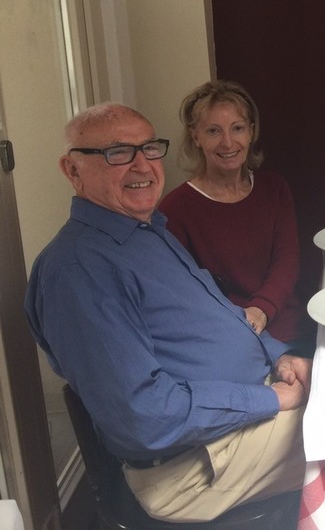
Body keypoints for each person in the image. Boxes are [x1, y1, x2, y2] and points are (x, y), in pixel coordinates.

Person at [25, 103, 309, 522]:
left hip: (237, 419)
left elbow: (223, 317)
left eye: (149, 148)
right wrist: (269, 398)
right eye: (117, 152)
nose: (142, 165)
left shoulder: (147, 230)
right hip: (191, 468)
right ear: (72, 170)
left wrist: (279, 356)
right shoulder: (79, 271)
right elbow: (145, 416)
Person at [158, 80, 305, 343]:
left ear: (251, 132)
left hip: (284, 325)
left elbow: (287, 261)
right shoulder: (175, 208)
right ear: (196, 137)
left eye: (237, 128)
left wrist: (261, 310)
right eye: (213, 131)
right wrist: (239, 323)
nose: (228, 142)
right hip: (226, 337)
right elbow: (183, 295)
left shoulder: (274, 189)